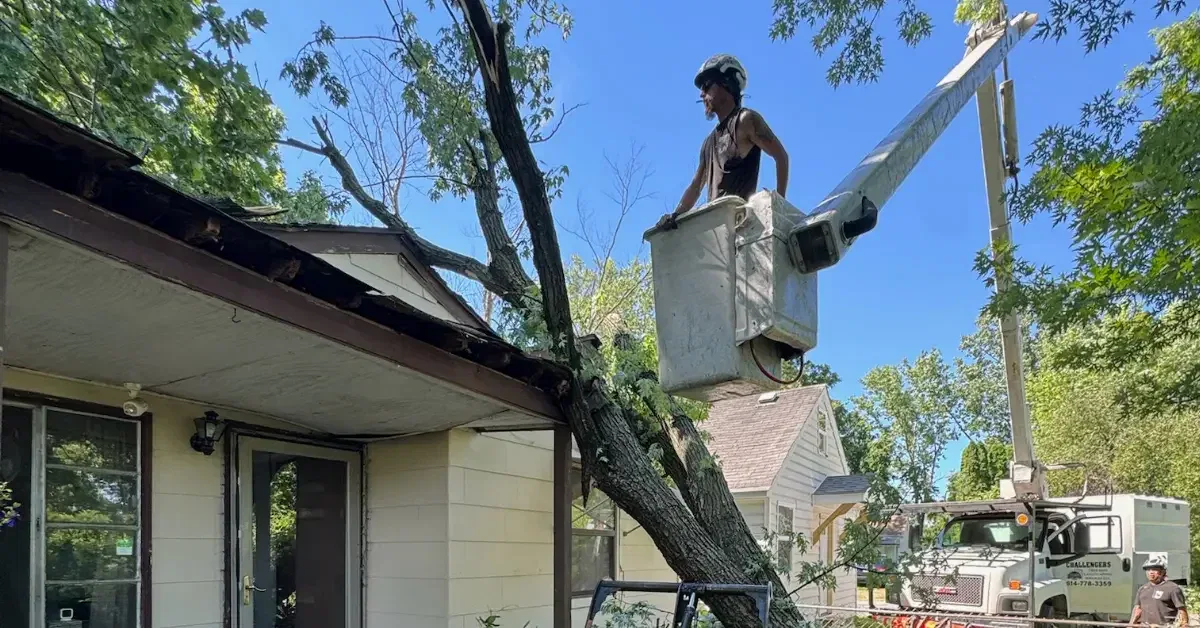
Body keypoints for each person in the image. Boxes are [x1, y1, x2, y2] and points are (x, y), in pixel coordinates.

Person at [657, 54, 789, 230]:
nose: (702, 94)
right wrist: (675, 215)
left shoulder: (745, 120)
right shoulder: (708, 143)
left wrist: (778, 207)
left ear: (727, 83)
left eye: (706, 86)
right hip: (717, 230)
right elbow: (696, 186)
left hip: (743, 228)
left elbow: (781, 157)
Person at [1131, 556, 1188, 626]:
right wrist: (1131, 625)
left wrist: (1184, 625)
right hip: (1145, 626)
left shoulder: (1173, 588)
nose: (1151, 572)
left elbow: (1182, 610)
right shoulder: (1143, 589)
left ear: (1163, 571)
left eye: (1154, 569)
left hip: (1165, 626)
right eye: (1148, 570)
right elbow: (1137, 610)